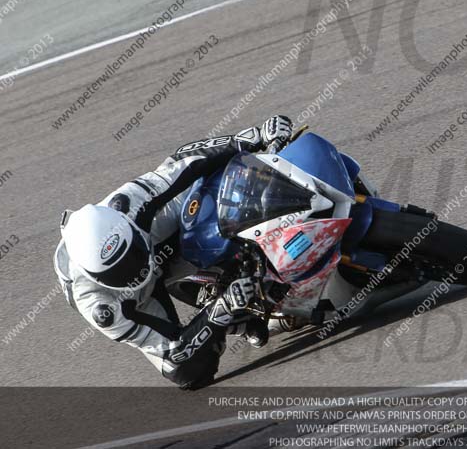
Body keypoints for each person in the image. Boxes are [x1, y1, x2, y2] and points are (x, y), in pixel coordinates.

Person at [53, 116, 294, 389]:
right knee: (188, 374)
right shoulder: (101, 308)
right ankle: (240, 317)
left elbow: (181, 164)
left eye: (130, 254)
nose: (134, 269)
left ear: (126, 226)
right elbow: (173, 350)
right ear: (94, 275)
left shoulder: (127, 205)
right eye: (119, 269)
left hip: (154, 239)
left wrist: (249, 138)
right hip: (137, 299)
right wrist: (221, 311)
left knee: (205, 183)